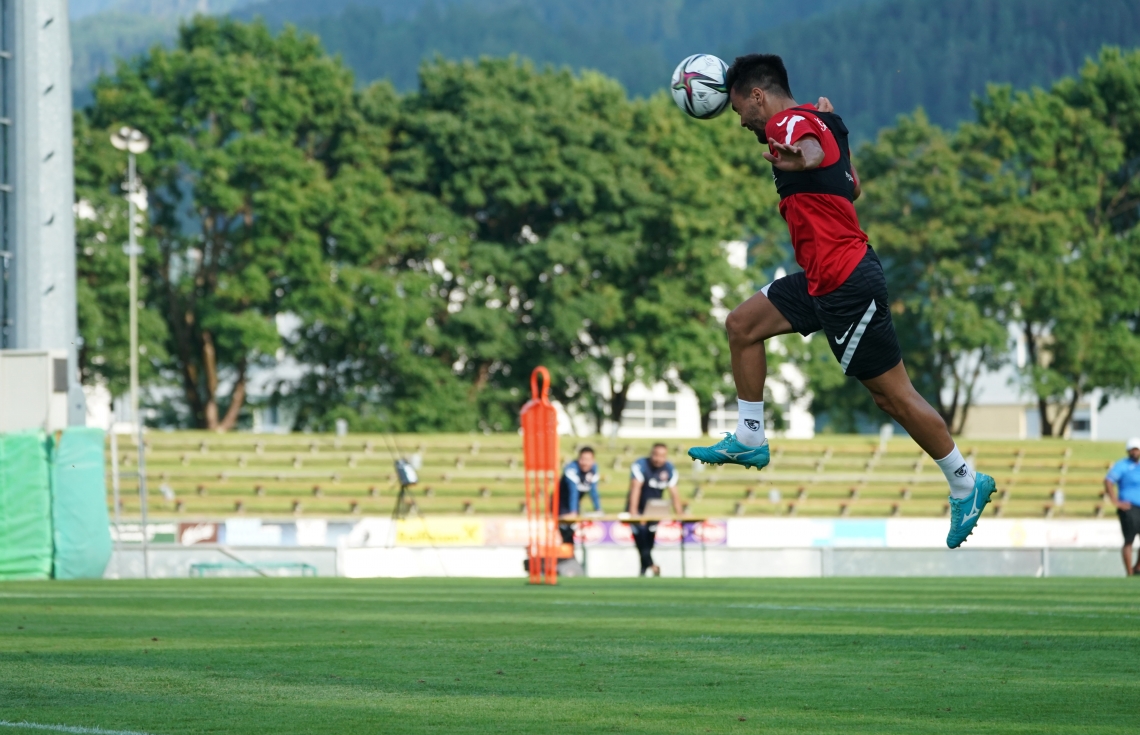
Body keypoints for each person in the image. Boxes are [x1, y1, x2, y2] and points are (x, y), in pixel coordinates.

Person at [687, 54, 996, 549]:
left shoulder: (789, 124)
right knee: (742, 325)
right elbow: (851, 185)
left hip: (847, 282)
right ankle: (749, 437)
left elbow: (808, 150)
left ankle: (965, 481)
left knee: (892, 395)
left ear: (759, 96)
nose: (740, 119)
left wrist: (800, 155)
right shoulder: (818, 118)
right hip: (821, 280)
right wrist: (823, 143)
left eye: (740, 108)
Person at [625, 443, 682, 577]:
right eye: (655, 455)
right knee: (641, 541)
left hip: (654, 511)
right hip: (638, 511)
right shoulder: (640, 465)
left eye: (662, 456)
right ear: (651, 454)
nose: (658, 459)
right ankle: (652, 566)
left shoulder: (669, 469)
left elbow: (674, 493)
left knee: (648, 543)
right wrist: (634, 513)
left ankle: (643, 571)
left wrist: (680, 514)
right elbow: (635, 489)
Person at [1105, 438, 1140, 576]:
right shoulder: (1122, 465)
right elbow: (1108, 481)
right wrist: (1116, 501)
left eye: (1137, 449)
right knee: (1129, 540)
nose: (1135, 452)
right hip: (1128, 508)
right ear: (1128, 451)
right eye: (1133, 449)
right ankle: (1129, 572)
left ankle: (1137, 568)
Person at [558, 447, 603, 545]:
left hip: (574, 505)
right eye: (582, 459)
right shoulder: (571, 469)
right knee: (565, 534)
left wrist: (598, 509)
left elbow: (594, 491)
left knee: (571, 535)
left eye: (588, 460)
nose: (585, 463)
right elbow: (573, 493)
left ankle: (570, 556)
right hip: (561, 505)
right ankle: (567, 557)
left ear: (593, 460)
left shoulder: (594, 469)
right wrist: (573, 512)